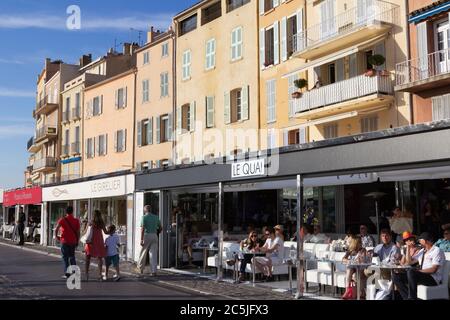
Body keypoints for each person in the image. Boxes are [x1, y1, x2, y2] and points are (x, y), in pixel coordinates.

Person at [392, 232, 446, 300]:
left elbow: (434, 269)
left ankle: (412, 298)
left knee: (411, 271)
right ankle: (407, 298)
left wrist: (418, 271)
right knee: (396, 276)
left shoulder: (437, 250)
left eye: (420, 240)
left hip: (433, 278)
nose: (418, 242)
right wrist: (408, 247)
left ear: (424, 241)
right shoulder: (423, 251)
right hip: (422, 276)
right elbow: (409, 262)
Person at [55, 206, 80, 279]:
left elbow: (56, 229)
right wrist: (77, 240)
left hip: (64, 241)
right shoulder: (76, 220)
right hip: (73, 241)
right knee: (72, 257)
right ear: (72, 211)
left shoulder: (62, 220)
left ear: (66, 212)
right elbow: (78, 232)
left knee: (65, 257)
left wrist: (56, 236)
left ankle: (67, 273)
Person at [136, 205, 161, 276]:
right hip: (154, 235)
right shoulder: (156, 217)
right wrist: (157, 233)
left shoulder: (144, 217)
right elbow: (160, 227)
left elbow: (142, 229)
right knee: (153, 254)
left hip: (147, 235)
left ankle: (140, 269)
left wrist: (141, 239)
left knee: (143, 253)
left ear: (145, 210)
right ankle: (153, 272)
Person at [85, 210, 108, 282]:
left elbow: (86, 232)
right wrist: (111, 232)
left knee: (88, 257)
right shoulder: (101, 223)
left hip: (91, 241)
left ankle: (86, 274)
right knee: (99, 258)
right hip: (99, 241)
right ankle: (100, 275)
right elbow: (105, 232)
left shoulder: (91, 222)